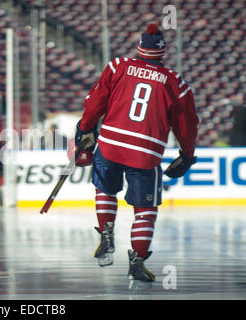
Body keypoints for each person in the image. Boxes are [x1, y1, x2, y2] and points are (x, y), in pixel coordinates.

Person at [73, 24, 199, 286]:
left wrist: (85, 128)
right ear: (162, 51)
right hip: (146, 153)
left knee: (105, 191)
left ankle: (106, 233)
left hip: (110, 144)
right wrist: (187, 154)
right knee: (145, 210)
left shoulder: (117, 66)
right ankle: (137, 262)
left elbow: (95, 101)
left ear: (140, 46)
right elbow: (187, 123)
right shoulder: (176, 82)